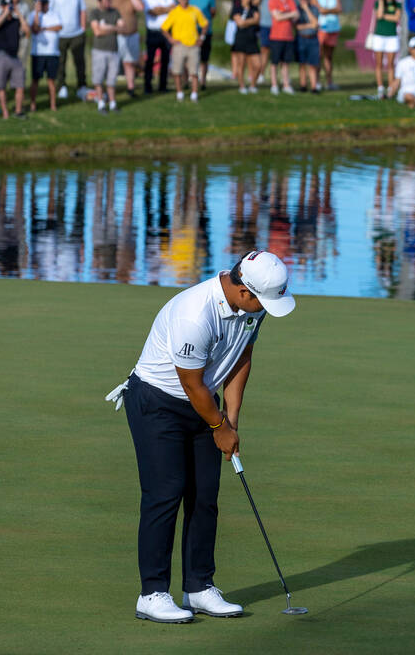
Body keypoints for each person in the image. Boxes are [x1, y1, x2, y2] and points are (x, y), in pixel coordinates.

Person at [107, 250, 298, 625]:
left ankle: (198, 586)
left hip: (203, 403)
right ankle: (152, 593)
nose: (265, 308)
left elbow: (242, 355)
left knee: (204, 495)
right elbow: (190, 383)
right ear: (243, 289)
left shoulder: (253, 307)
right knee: (165, 494)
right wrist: (218, 427)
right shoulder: (195, 313)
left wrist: (232, 419)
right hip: (157, 401)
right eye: (263, 300)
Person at [161, 0, 209, 102]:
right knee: (177, 71)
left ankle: (194, 94)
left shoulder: (195, 10)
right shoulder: (174, 12)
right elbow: (164, 28)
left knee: (194, 72)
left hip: (193, 45)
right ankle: (179, 92)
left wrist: (202, 38)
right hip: (179, 46)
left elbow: (205, 24)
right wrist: (171, 39)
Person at [47, 0, 87, 99]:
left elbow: (82, 10)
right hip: (60, 34)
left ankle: (82, 86)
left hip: (76, 33)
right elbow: (49, 13)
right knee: (60, 62)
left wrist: (83, 28)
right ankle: (61, 86)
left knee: (79, 61)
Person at [0, 0, 26, 119]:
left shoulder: (16, 21)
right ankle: (5, 111)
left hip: (15, 57)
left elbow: (27, 31)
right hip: (1, 55)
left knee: (20, 84)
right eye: (6, 5)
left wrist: (19, 14)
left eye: (10, 5)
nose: (8, 7)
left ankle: (18, 111)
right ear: (2, 6)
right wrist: (5, 13)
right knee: (1, 86)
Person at [88, 0, 122, 114]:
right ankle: (101, 103)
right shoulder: (94, 13)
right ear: (99, 2)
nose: (108, 3)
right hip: (99, 51)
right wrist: (113, 28)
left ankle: (113, 103)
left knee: (111, 79)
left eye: (109, 0)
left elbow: (122, 27)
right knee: (98, 78)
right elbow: (97, 32)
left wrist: (106, 27)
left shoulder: (115, 12)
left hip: (114, 51)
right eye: (105, 1)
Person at [112, 0, 145, 97]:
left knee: (129, 62)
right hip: (118, 35)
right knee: (114, 63)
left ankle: (131, 87)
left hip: (132, 34)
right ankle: (111, 87)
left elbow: (140, 7)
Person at [142, 0, 175, 94]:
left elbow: (174, 8)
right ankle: (147, 85)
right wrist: (166, 9)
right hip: (153, 32)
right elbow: (152, 12)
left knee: (166, 60)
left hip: (166, 32)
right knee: (150, 60)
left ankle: (163, 85)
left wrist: (161, 9)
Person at [29, 0, 62, 112]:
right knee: (35, 80)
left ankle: (53, 104)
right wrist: (37, 13)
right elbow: (35, 29)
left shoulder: (54, 14)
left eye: (44, 3)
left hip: (52, 53)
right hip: (38, 53)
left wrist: (45, 28)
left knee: (51, 80)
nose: (43, 6)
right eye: (40, 3)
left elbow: (59, 27)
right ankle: (33, 104)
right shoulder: (33, 15)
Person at [368, 0, 401, 98]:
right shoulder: (378, 2)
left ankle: (391, 88)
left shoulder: (397, 4)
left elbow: (396, 18)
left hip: (392, 36)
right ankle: (380, 87)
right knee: (379, 64)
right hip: (379, 36)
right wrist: (381, 0)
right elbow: (379, 15)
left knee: (391, 64)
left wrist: (385, 16)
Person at [229, 0, 262, 94]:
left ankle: (253, 85)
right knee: (241, 64)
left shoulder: (254, 8)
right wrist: (252, 20)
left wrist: (247, 21)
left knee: (258, 65)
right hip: (240, 39)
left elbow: (257, 20)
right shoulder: (236, 8)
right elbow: (240, 23)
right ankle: (242, 86)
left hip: (252, 39)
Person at [266, 0, 298, 95]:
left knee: (286, 63)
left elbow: (296, 15)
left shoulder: (290, 0)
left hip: (288, 36)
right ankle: (274, 85)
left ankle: (286, 84)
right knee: (275, 62)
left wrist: (284, 14)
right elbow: (277, 17)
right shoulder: (273, 0)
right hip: (276, 36)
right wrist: (290, 14)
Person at [187, 0, 217, 89]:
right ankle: (187, 81)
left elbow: (213, 12)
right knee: (188, 57)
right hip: (189, 31)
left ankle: (203, 82)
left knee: (204, 58)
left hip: (205, 31)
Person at [311, 0, 341, 90]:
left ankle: (329, 82)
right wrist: (332, 10)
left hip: (334, 27)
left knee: (329, 57)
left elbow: (339, 9)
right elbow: (320, 11)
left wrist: (327, 10)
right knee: (318, 55)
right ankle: (317, 81)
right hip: (322, 28)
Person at [295, 0, 320, 93]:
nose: (304, 1)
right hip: (301, 38)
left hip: (313, 39)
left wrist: (306, 9)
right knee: (302, 63)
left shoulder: (314, 9)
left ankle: (314, 86)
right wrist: (309, 25)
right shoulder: (296, 9)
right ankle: (303, 85)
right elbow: (297, 27)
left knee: (313, 64)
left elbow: (315, 24)